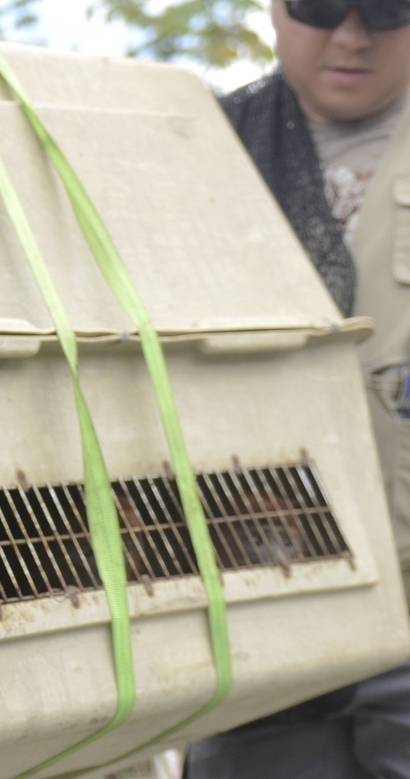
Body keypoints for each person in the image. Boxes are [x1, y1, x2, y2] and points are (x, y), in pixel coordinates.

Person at [185, 1, 410, 777]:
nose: (351, 36)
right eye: (320, 4)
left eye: (386, 8)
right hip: (254, 601)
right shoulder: (188, 146)